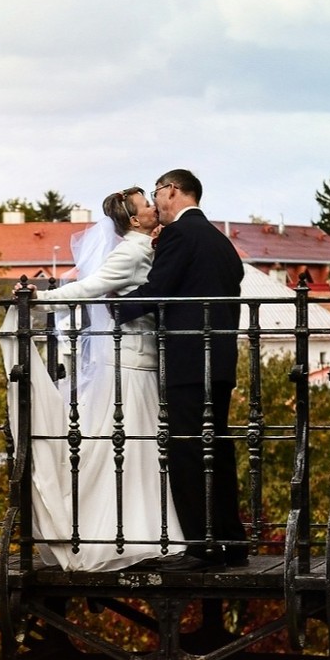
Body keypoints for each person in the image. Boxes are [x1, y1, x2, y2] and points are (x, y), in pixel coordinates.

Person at [0, 187, 185, 570]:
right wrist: (40, 299)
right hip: (132, 364)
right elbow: (91, 287)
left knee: (142, 450)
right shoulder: (130, 252)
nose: (153, 207)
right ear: (134, 219)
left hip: (142, 360)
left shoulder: (146, 246)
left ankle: (148, 531)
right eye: (146, 205)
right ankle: (137, 535)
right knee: (134, 449)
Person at [115, 168, 247, 567]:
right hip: (220, 360)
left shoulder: (180, 234)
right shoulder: (222, 242)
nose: (155, 201)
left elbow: (159, 289)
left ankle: (200, 545)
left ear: (172, 190)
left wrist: (112, 308)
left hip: (188, 360)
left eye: (157, 192)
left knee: (186, 450)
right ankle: (232, 541)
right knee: (218, 448)